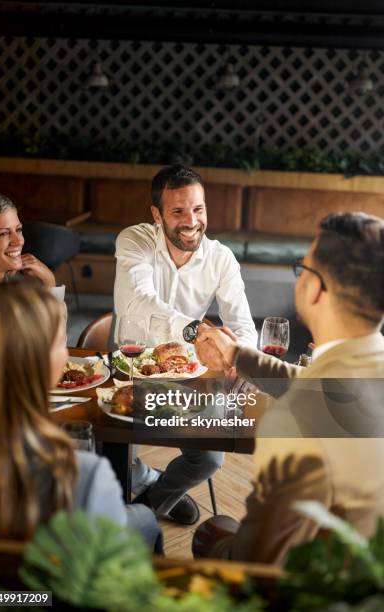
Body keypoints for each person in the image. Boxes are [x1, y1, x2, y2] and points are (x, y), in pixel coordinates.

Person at [193, 211, 384, 564]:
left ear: (316, 287)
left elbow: (258, 566)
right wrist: (238, 354)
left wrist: (214, 546)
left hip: (324, 592)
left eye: (303, 267)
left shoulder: (293, 423)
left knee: (211, 528)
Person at [114, 164, 258, 525]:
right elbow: (138, 302)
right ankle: (148, 479)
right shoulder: (135, 240)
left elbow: (242, 324)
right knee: (105, 446)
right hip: (130, 370)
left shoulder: (221, 258)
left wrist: (244, 357)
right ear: (157, 215)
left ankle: (146, 508)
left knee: (209, 459)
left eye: (198, 209)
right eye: (178, 211)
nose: (191, 221)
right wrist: (197, 331)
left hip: (189, 376)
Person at [0, 280, 161, 551]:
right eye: (59, 341)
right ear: (42, 363)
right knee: (146, 519)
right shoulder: (83, 475)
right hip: (58, 587)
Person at [0, 190, 64, 300]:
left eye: (18, 229)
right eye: (3, 233)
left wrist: (49, 281)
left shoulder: (14, 284)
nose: (18, 241)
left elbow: (47, 317)